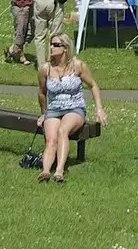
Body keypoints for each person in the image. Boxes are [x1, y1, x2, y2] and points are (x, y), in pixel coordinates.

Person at [36, 34, 107, 184]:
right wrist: (44, 113)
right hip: (54, 109)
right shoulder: (45, 69)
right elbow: (42, 93)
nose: (51, 47)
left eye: (55, 45)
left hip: (74, 108)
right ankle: (45, 171)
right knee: (50, 139)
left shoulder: (78, 66)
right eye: (51, 44)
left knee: (63, 131)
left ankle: (60, 171)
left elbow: (93, 85)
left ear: (65, 49)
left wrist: (99, 108)